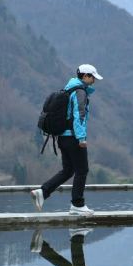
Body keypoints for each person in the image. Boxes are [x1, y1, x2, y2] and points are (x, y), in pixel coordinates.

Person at [31, 64, 102, 214]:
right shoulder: (79, 92)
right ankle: (77, 204)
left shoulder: (68, 89)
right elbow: (79, 115)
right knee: (82, 170)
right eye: (92, 77)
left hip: (62, 138)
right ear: (84, 76)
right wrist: (81, 138)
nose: (94, 80)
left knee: (68, 170)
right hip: (74, 138)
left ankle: (43, 192)